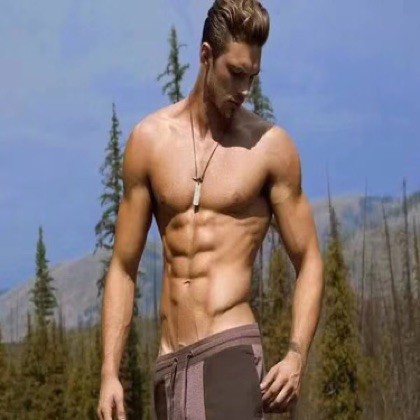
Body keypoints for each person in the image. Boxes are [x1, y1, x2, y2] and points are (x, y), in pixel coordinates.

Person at [97, 1, 325, 419]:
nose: (244, 89)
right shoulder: (150, 142)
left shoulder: (270, 149)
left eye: (252, 76)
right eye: (235, 73)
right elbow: (123, 267)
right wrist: (109, 372)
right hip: (169, 367)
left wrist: (296, 354)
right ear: (206, 55)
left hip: (229, 351)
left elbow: (309, 258)